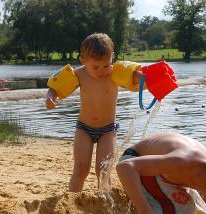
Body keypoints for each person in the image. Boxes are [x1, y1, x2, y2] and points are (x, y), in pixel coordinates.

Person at [45, 33, 145, 192]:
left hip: (108, 130)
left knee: (103, 171)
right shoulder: (79, 74)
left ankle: (105, 202)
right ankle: (73, 201)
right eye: (95, 67)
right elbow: (56, 87)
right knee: (80, 169)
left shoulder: (115, 72)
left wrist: (149, 78)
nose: (101, 71)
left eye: (106, 65)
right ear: (83, 60)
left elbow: (136, 76)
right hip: (84, 128)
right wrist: (51, 98)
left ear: (112, 57)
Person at [116, 132, 206, 214]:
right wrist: (144, 209)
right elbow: (125, 167)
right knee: (179, 210)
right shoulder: (183, 162)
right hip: (137, 160)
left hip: (167, 174)